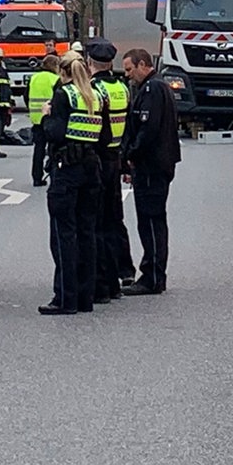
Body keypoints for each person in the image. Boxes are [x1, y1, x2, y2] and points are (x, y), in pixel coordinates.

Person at [38, 50, 107, 315]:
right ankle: (85, 298)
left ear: (62, 73)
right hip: (92, 169)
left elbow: (54, 133)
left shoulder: (63, 95)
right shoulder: (96, 96)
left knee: (64, 235)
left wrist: (46, 115)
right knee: (87, 233)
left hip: (66, 170)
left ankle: (65, 299)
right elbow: (103, 137)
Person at [120, 48, 181, 295]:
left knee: (151, 220)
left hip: (151, 165)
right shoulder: (154, 87)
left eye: (129, 69)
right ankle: (152, 272)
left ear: (143, 64)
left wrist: (130, 155)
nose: (127, 75)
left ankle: (153, 276)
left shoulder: (152, 89)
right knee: (150, 220)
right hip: (155, 163)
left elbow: (148, 129)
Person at [86, 38, 134, 303]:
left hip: (100, 157)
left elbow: (96, 127)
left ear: (91, 63)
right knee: (116, 218)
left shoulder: (96, 90)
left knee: (99, 219)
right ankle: (125, 269)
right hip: (116, 156)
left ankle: (104, 274)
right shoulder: (122, 87)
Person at [27, 54, 60, 186]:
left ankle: (36, 177)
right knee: (52, 148)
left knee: (38, 150)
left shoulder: (34, 78)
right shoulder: (55, 79)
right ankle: (52, 173)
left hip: (36, 118)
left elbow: (26, 95)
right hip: (50, 118)